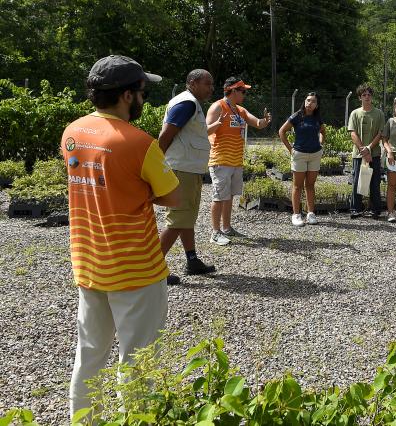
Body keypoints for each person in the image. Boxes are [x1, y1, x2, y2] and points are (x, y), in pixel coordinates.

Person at [62, 55, 180, 419]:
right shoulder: (139, 143)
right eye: (143, 92)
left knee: (89, 354)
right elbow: (173, 196)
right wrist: (138, 190)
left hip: (89, 264)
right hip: (137, 270)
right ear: (127, 95)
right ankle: (135, 418)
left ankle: (83, 420)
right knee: (139, 358)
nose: (144, 99)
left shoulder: (72, 132)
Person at [157, 69, 220, 286]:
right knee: (178, 219)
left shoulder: (191, 103)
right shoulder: (187, 103)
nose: (211, 88)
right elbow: (166, 134)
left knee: (187, 217)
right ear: (192, 83)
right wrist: (157, 164)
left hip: (188, 169)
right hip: (182, 170)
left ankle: (192, 260)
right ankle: (152, 268)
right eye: (207, 83)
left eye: (212, 84)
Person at [206, 77, 271, 245]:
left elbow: (258, 123)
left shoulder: (240, 110)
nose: (244, 94)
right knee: (219, 197)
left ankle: (227, 228)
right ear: (233, 90)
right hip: (220, 160)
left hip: (236, 161)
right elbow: (205, 130)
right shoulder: (218, 106)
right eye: (242, 91)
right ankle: (215, 233)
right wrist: (218, 123)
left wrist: (265, 121)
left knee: (229, 196)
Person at [279, 92, 326, 226]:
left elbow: (323, 131)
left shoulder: (317, 118)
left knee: (310, 185)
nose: (310, 103)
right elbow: (282, 131)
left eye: (313, 101)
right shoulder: (297, 116)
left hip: (315, 155)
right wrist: (291, 149)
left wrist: (321, 144)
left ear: (317, 105)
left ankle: (310, 213)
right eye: (308, 100)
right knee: (297, 186)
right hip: (299, 155)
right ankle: (296, 215)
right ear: (304, 102)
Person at [348, 83, 385, 219]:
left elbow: (380, 133)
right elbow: (353, 133)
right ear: (360, 97)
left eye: (369, 94)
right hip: (358, 155)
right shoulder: (355, 113)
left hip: (374, 154)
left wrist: (369, 148)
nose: (367, 97)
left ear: (372, 96)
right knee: (358, 181)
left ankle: (376, 209)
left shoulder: (379, 113)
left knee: (375, 182)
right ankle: (355, 209)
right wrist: (363, 150)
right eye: (364, 95)